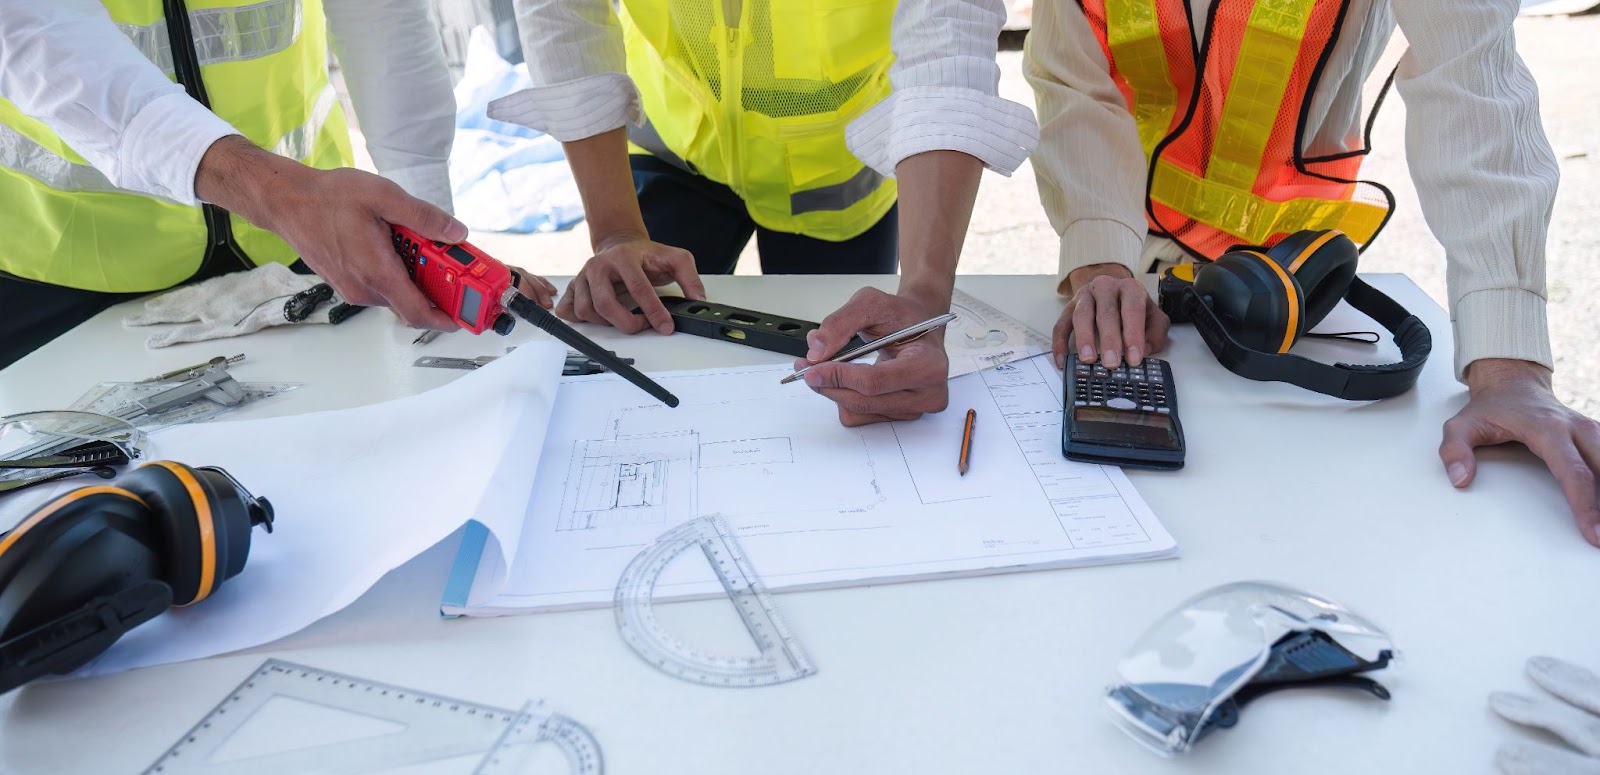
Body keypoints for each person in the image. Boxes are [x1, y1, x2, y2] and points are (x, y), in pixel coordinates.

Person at [1018, 0, 1600, 545]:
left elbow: (1471, 83)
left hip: (1292, 280)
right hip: (1127, 257)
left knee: (1297, 517)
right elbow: (1076, 86)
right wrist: (1099, 256)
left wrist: (1508, 367)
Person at [493, 0, 1037, 389]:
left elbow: (948, 35)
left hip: (832, 171)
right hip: (678, 145)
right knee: (641, 328)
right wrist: (616, 229)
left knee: (850, 358)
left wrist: (923, 297)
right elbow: (563, 13)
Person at [0, 0, 555, 370]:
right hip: (63, 264)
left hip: (298, 252)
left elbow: (380, 19)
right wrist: (280, 194)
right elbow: (40, 41)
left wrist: (431, 251)